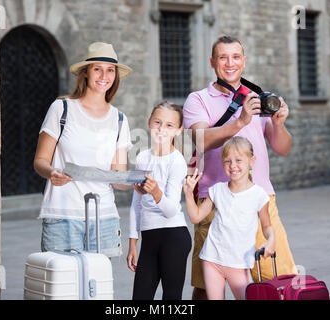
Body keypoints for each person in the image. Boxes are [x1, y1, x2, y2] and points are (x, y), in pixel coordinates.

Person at [183, 35, 297, 299]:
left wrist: (278, 123)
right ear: (213, 63)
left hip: (260, 199)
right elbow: (200, 139)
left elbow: (283, 148)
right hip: (214, 200)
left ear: (244, 62)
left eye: (236, 57)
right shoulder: (198, 99)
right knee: (206, 285)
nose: (230, 63)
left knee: (278, 278)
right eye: (223, 57)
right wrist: (240, 121)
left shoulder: (257, 99)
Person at [34, 42, 133, 257]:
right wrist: (52, 173)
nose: (104, 75)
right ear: (86, 73)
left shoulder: (119, 119)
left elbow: (117, 177)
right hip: (63, 215)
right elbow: (40, 160)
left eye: (110, 70)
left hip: (104, 217)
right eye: (97, 68)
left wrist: (137, 183)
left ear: (115, 76)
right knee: (63, 286)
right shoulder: (61, 108)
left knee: (98, 288)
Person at [184, 136, 276, 300]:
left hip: (239, 263)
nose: (233, 166)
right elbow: (196, 217)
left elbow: (267, 225)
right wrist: (189, 195)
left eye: (239, 160)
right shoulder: (217, 190)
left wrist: (271, 240)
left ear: (251, 161)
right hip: (212, 260)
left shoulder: (258, 195)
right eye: (227, 161)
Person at [127, 101, 192, 300]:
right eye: (157, 122)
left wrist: (156, 193)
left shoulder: (177, 161)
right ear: (149, 123)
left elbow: (172, 210)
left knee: (171, 298)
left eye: (169, 125)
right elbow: (135, 204)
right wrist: (132, 243)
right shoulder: (141, 158)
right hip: (149, 240)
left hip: (174, 237)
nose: (162, 129)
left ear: (179, 130)